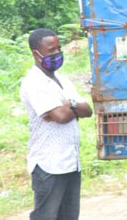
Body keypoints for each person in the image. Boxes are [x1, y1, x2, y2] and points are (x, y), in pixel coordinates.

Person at [20, 28, 93, 220]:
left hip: (70, 161)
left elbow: (87, 110)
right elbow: (60, 116)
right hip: (48, 164)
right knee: (46, 216)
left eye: (59, 48)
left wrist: (72, 105)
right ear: (36, 53)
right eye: (51, 50)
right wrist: (67, 108)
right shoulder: (34, 82)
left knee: (69, 216)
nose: (57, 53)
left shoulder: (63, 79)